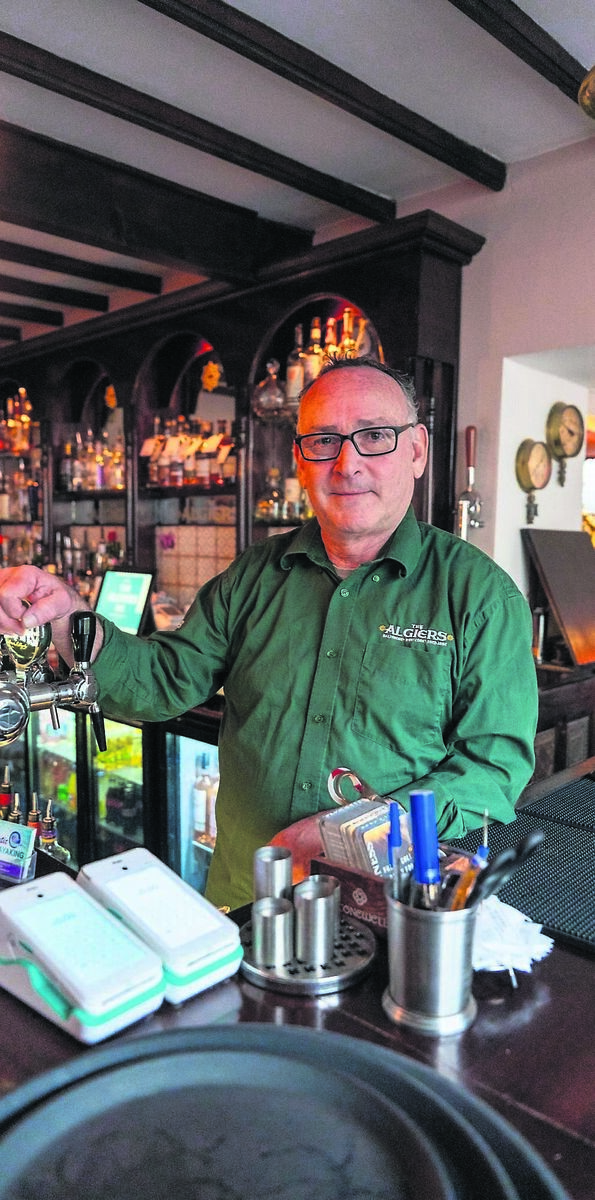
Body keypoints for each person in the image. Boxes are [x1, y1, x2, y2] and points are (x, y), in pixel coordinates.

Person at [0, 357, 538, 909]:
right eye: (324, 440)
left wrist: (361, 830)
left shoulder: (480, 598)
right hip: (247, 899)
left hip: (384, 911)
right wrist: (65, 619)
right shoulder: (253, 576)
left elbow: (493, 771)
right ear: (300, 461)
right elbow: (163, 682)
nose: (348, 463)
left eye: (375, 436)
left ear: (418, 450)